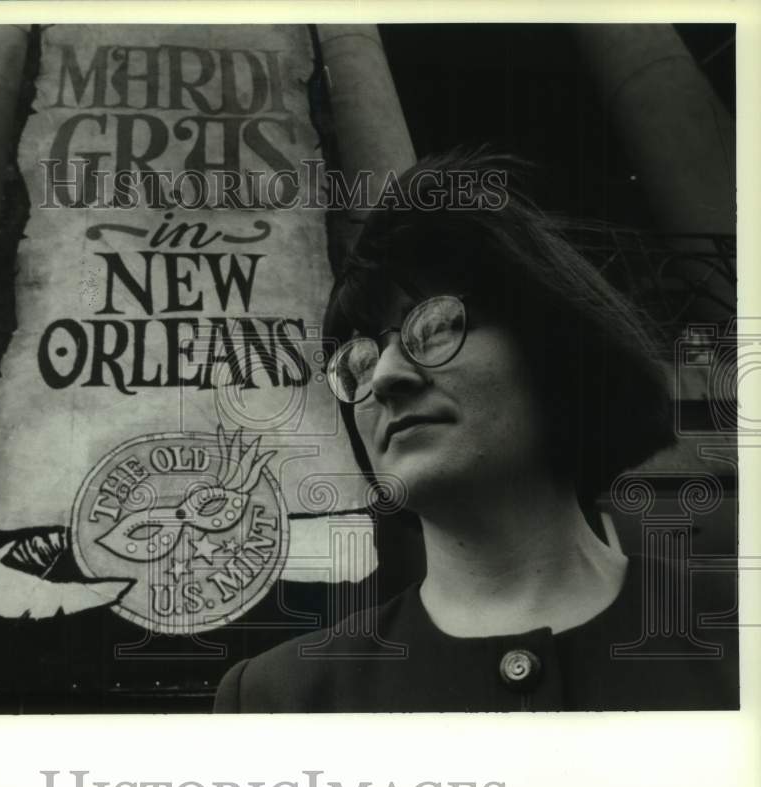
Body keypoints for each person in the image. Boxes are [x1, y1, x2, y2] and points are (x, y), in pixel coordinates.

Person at [212, 149, 738, 712]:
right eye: (358, 362)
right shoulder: (279, 701)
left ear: (552, 350)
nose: (385, 377)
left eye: (433, 326)